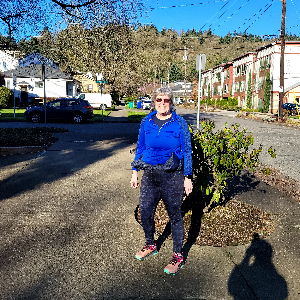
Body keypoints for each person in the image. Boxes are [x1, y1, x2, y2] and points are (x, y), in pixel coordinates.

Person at [130, 87, 193, 275]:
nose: (162, 103)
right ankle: (151, 245)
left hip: (172, 175)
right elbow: (140, 146)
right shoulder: (146, 121)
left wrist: (187, 177)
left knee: (174, 215)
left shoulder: (179, 122)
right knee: (146, 210)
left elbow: (187, 150)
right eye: (159, 100)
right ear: (154, 102)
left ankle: (178, 256)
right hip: (150, 174)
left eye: (166, 100)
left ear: (171, 102)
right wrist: (135, 172)